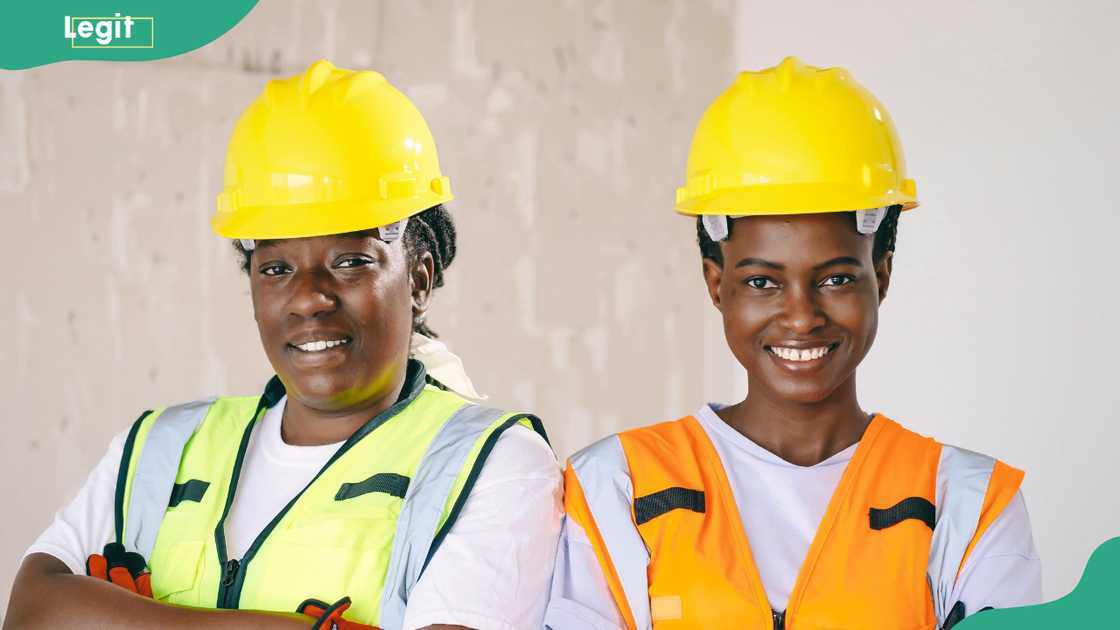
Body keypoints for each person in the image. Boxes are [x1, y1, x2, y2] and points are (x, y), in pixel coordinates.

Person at [5, 60, 562, 630]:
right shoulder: (159, 451)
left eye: (350, 261)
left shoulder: (491, 464)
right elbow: (30, 612)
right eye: (275, 268)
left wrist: (130, 617)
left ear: (418, 279)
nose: (309, 298)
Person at [545, 57, 1041, 630]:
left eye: (836, 278)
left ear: (881, 274)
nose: (801, 317)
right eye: (762, 282)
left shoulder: (968, 502)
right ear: (716, 284)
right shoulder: (619, 488)